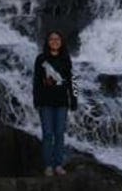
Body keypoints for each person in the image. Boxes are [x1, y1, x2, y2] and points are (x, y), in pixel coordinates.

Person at [32, 30, 78, 177]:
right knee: (47, 134)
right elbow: (36, 81)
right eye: (51, 39)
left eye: (57, 39)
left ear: (61, 42)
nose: (54, 41)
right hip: (45, 103)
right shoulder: (41, 59)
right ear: (47, 42)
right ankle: (48, 166)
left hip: (62, 103)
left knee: (59, 134)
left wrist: (74, 98)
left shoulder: (66, 59)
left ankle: (58, 164)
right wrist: (36, 99)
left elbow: (73, 81)